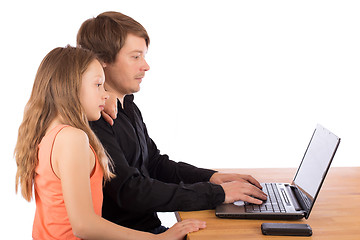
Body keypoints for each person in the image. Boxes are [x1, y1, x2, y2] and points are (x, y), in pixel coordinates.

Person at [77, 11, 267, 233]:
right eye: (135, 56)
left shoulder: (126, 105)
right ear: (103, 62)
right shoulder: (95, 119)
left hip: (150, 230)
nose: (146, 66)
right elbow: (130, 191)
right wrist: (217, 194)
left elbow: (155, 164)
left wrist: (213, 178)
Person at [14, 46, 206, 240]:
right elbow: (83, 226)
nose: (105, 94)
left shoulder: (49, 134)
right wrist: (158, 239)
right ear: (70, 86)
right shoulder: (72, 139)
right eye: (98, 85)